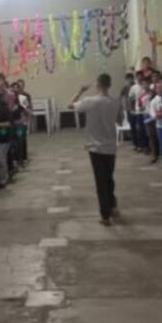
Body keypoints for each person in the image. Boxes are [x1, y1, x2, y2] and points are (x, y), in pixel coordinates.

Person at [69, 74, 120, 226]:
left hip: (96, 147)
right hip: (111, 146)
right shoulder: (115, 101)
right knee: (109, 177)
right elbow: (119, 119)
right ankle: (112, 205)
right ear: (109, 84)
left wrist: (80, 91)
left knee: (101, 181)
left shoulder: (90, 101)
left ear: (98, 85)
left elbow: (70, 105)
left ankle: (105, 215)